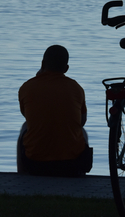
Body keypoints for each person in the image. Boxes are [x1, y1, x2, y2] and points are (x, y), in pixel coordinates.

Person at [17, 45, 92, 177]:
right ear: (66, 69)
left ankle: (22, 175)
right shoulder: (76, 88)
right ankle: (81, 175)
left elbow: (28, 118)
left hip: (35, 164)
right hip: (71, 164)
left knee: (25, 126)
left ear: (42, 63)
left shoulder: (26, 87)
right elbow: (82, 121)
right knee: (82, 131)